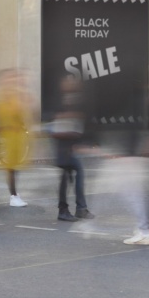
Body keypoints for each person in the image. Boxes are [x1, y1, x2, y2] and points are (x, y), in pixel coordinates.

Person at [49, 74, 94, 222]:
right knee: (67, 176)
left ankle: (77, 209)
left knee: (71, 175)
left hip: (70, 144)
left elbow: (80, 119)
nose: (72, 84)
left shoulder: (75, 98)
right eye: (68, 81)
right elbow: (57, 121)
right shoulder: (59, 100)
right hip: (64, 145)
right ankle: (69, 210)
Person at [0, 69, 32, 206]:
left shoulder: (14, 96)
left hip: (15, 136)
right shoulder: (1, 98)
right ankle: (13, 196)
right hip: (7, 137)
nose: (13, 81)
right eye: (10, 78)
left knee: (15, 166)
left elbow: (21, 115)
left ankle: (14, 193)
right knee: (11, 167)